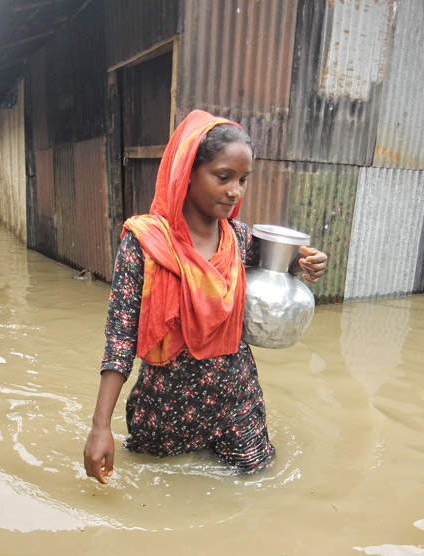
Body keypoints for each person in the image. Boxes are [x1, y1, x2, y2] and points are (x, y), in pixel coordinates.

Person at [83, 110, 328, 483]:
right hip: (167, 406)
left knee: (259, 483)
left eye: (243, 180)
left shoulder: (240, 239)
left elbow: (278, 268)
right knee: (158, 492)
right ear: (187, 172)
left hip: (236, 400)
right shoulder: (145, 244)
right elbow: (121, 337)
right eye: (223, 177)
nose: (235, 191)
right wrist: (101, 426)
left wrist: (304, 265)